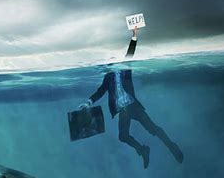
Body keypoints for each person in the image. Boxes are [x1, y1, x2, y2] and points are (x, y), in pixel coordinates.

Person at [78, 27, 183, 168]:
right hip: (123, 110)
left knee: (153, 129)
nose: (112, 65)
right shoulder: (108, 77)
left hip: (133, 106)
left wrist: (134, 37)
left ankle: (171, 146)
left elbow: (130, 55)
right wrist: (87, 103)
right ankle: (142, 149)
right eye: (110, 64)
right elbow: (100, 91)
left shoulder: (125, 71)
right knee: (123, 136)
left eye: (114, 63)